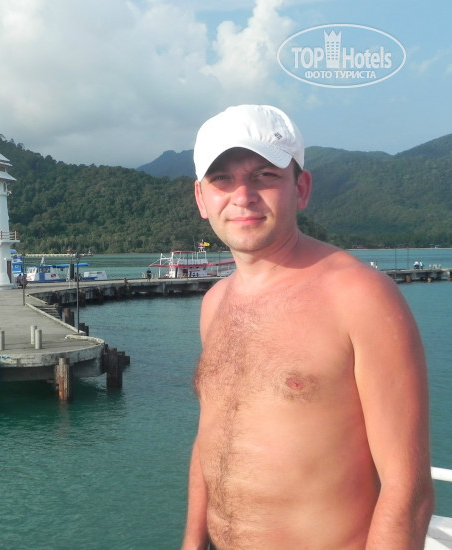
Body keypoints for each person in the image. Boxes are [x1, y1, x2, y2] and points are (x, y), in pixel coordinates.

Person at [182, 105, 434, 550]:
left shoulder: (359, 296)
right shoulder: (215, 302)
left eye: (264, 176)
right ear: (202, 198)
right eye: (222, 179)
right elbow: (211, 439)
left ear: (301, 188)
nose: (243, 196)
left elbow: (407, 491)